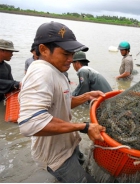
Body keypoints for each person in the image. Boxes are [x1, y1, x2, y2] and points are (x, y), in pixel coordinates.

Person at [17, 21, 106, 183]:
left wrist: (86, 96)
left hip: (68, 144)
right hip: (57, 157)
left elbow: (62, 103)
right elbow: (30, 123)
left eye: (72, 54)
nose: (71, 60)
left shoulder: (56, 71)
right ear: (43, 49)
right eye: (66, 54)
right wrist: (84, 126)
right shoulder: (41, 72)